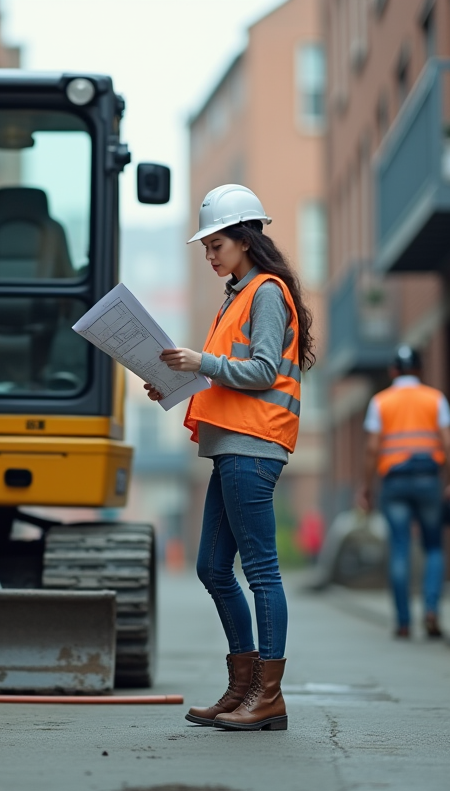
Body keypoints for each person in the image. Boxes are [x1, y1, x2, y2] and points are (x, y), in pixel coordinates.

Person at [145, 184, 314, 732]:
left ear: (244, 238)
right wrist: (180, 378)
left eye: (216, 244)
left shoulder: (265, 292)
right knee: (213, 568)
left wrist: (203, 361)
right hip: (231, 445)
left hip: (253, 445)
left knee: (260, 570)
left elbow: (263, 371)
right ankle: (243, 687)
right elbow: (229, 371)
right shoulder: (237, 294)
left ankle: (267, 696)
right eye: (206, 247)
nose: (210, 254)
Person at [357, 345, 450, 639]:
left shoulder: (380, 402)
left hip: (395, 483)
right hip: (429, 479)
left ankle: (403, 622)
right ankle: (431, 610)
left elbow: (371, 448)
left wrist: (366, 487)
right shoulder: (435, 399)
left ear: (393, 371)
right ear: (419, 370)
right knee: (434, 547)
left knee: (400, 547)